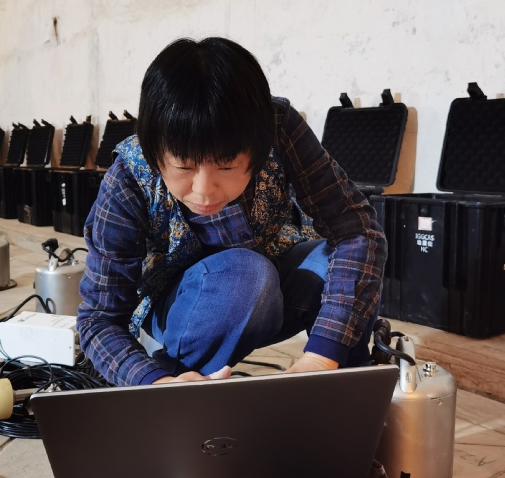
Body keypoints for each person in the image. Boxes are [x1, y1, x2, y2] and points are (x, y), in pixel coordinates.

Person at [77, 37, 387, 385]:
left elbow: (357, 229)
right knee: (246, 276)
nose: (204, 191)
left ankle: (341, 384)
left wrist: (321, 357)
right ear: (154, 153)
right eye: (184, 167)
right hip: (183, 305)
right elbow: (98, 320)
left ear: (257, 148)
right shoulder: (128, 177)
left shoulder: (274, 127)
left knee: (342, 261)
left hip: (270, 289)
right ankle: (182, 376)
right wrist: (154, 382)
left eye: (226, 166)